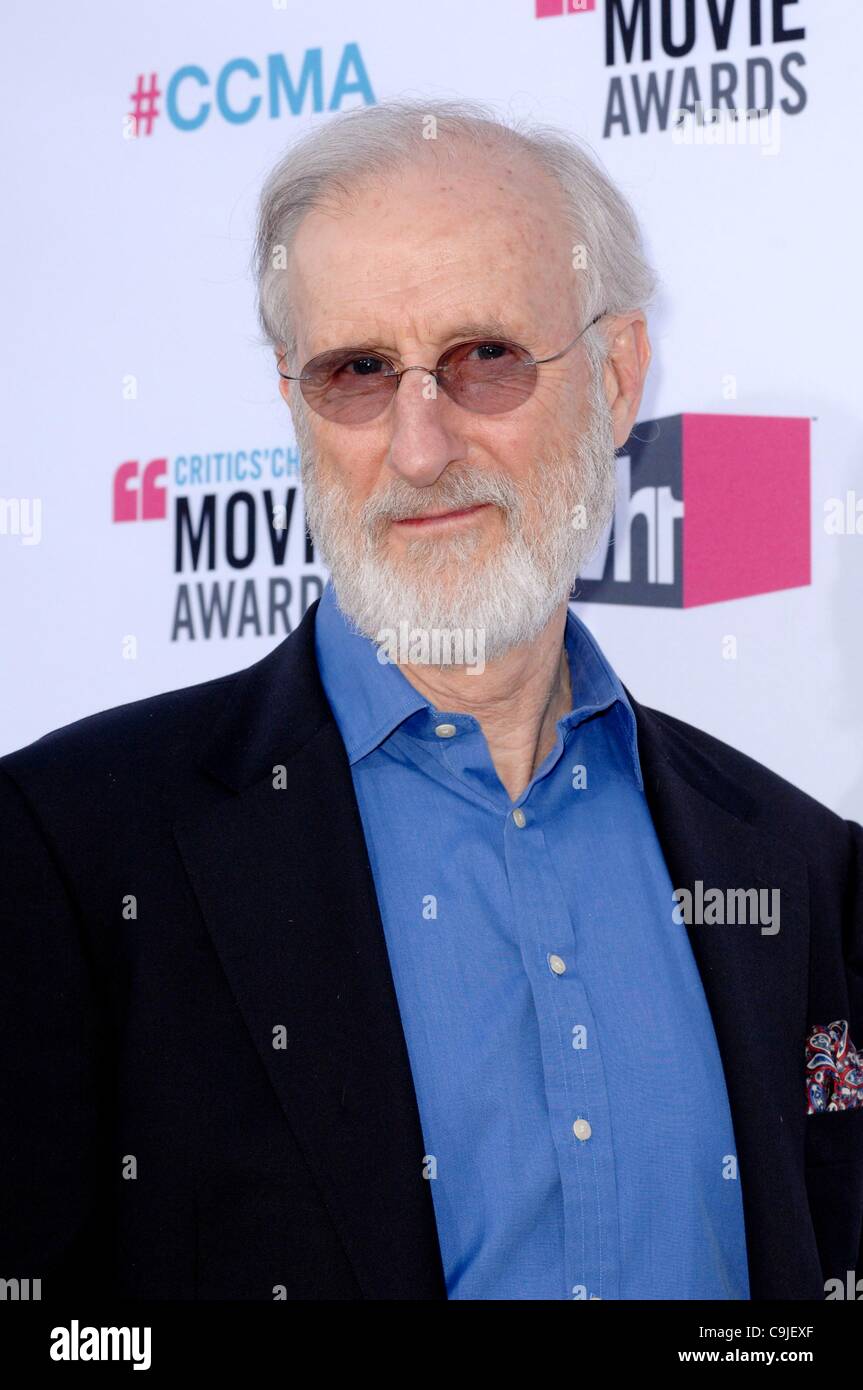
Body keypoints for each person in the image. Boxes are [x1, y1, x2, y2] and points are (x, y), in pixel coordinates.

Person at [2, 98, 861, 1302]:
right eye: (356, 372)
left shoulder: (796, 862)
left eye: (483, 358)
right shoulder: (70, 847)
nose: (418, 446)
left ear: (614, 381)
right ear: (295, 404)